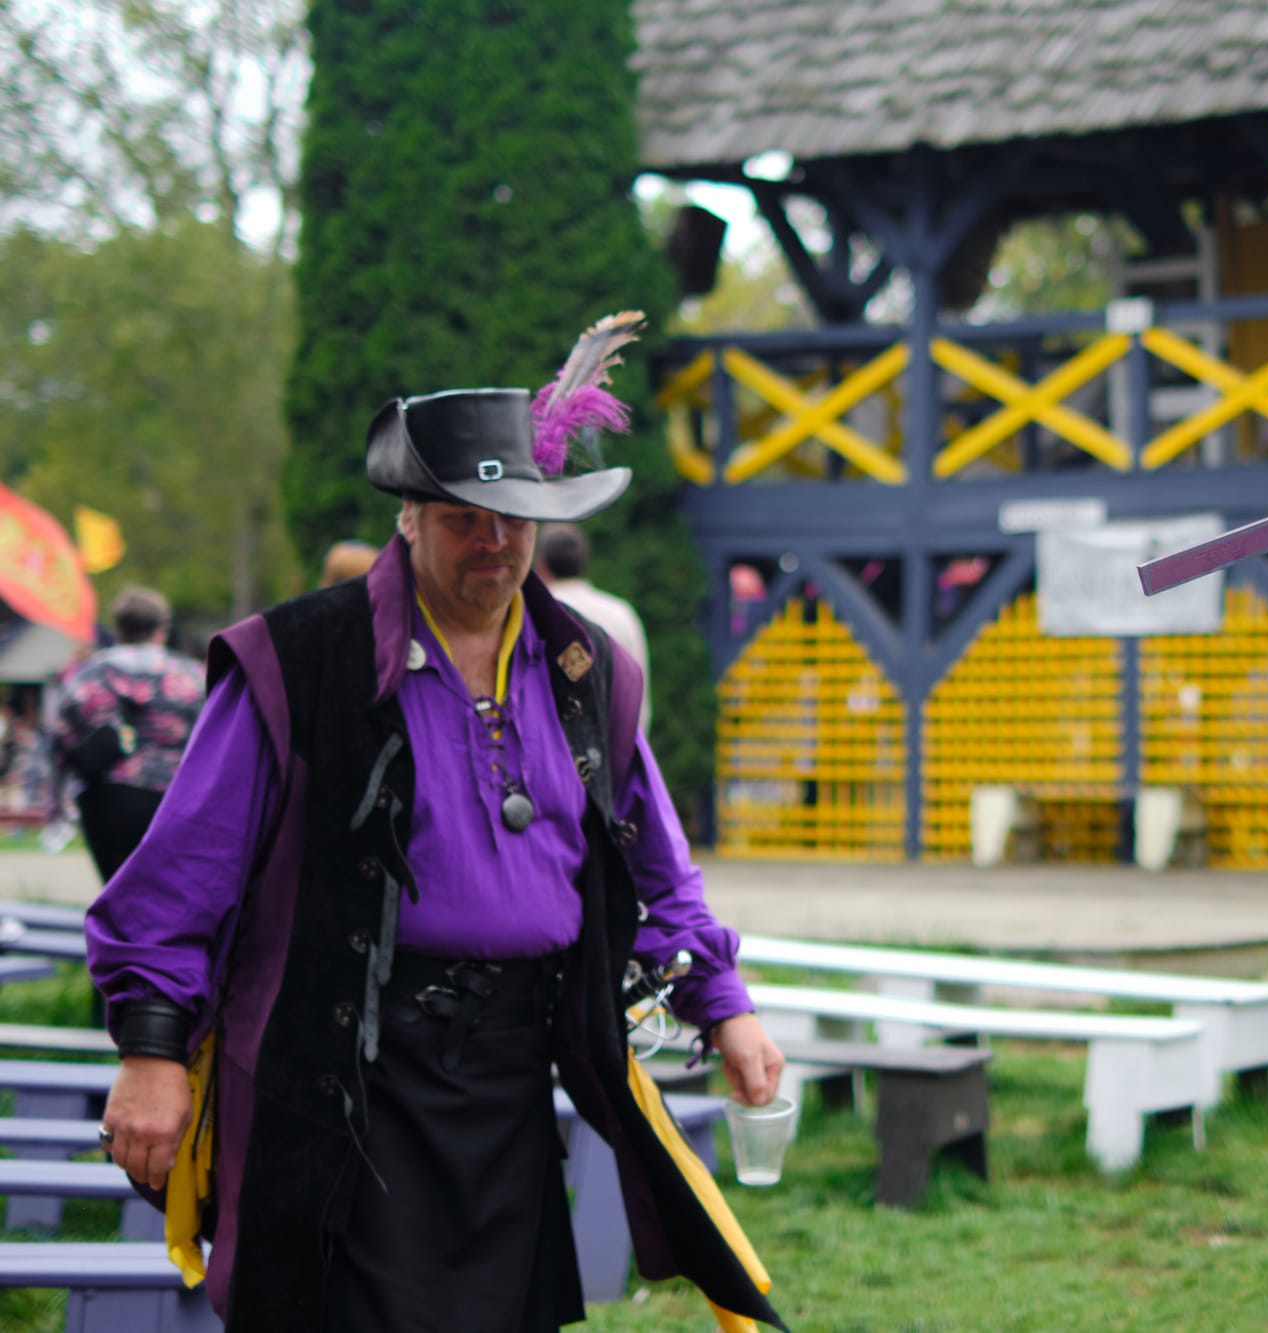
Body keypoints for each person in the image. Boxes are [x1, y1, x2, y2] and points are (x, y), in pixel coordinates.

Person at [85, 312, 788, 1333]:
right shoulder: (299, 660)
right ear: (409, 518)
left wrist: (723, 1004)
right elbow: (179, 874)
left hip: (508, 1078)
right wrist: (151, 1051)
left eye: (515, 517)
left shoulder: (588, 671)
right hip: (338, 1074)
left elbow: (657, 861)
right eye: (464, 517)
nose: (494, 542)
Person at [50, 586, 205, 882]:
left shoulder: (90, 674)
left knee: (118, 888)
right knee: (170, 890)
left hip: (108, 799)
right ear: (162, 629)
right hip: (177, 798)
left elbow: (61, 739)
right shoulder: (192, 676)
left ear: (118, 628)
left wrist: (57, 803)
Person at [535, 523, 652, 736]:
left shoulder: (533, 612)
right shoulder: (621, 613)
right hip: (611, 742)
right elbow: (638, 697)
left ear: (541, 565)